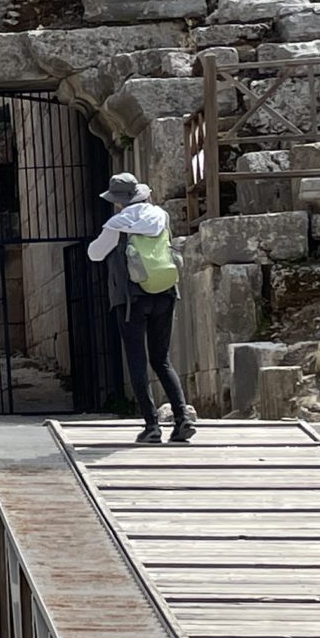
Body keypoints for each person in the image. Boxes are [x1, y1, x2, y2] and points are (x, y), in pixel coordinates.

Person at [87, 173, 196, 444]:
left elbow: (95, 253)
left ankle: (152, 426)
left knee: (137, 361)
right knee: (162, 359)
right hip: (165, 293)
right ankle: (182, 418)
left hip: (131, 299)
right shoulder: (161, 216)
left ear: (119, 201)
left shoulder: (118, 223)